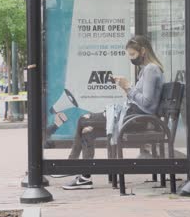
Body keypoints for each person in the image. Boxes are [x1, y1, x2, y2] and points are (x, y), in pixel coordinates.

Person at [62, 35, 164, 190]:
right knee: (88, 131)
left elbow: (147, 104)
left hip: (136, 119)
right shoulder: (146, 70)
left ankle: (71, 164)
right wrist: (126, 87)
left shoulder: (151, 69)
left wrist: (128, 87)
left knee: (84, 119)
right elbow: (140, 100)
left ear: (143, 51)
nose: (131, 58)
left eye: (132, 55)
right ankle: (84, 177)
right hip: (132, 117)